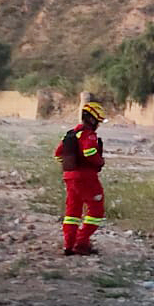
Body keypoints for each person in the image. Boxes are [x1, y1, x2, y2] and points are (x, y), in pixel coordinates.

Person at [54, 101, 107, 256]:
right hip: (86, 177)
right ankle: (81, 243)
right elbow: (90, 152)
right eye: (98, 121)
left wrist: (71, 168)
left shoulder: (71, 134)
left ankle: (68, 245)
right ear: (92, 119)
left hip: (70, 177)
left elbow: (58, 154)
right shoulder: (88, 135)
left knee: (72, 212)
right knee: (96, 211)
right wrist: (99, 162)